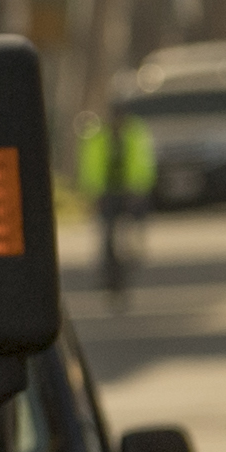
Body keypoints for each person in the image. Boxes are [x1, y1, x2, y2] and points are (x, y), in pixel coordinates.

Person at [74, 96, 156, 303]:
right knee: (107, 233)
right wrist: (93, 192)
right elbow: (91, 165)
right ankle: (109, 271)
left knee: (131, 232)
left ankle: (128, 265)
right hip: (107, 191)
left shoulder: (135, 132)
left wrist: (138, 188)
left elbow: (143, 161)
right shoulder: (100, 135)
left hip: (130, 189)